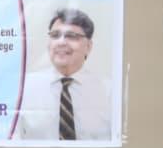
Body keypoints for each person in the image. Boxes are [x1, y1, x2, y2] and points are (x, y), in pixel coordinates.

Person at [15, 9, 113, 141]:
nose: (61, 42)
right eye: (55, 35)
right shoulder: (24, 87)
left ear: (88, 46)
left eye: (71, 36)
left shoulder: (109, 91)